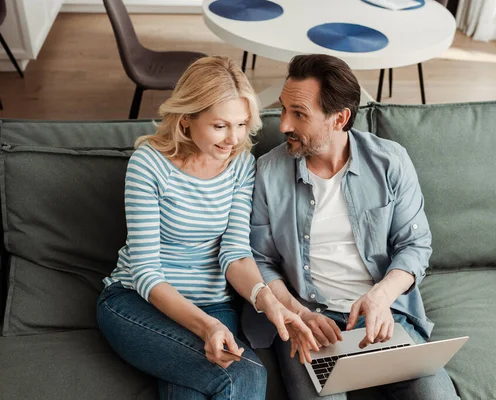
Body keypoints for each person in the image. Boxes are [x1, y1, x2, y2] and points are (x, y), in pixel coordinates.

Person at [97, 56, 318, 400]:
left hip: (213, 305)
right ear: (187, 120)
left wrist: (265, 299)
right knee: (243, 375)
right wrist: (207, 327)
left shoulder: (241, 164)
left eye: (242, 124)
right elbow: (144, 271)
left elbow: (234, 252)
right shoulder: (149, 165)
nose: (234, 138)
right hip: (136, 302)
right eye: (220, 126)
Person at [244, 54, 460, 400]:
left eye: (299, 114)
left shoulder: (390, 162)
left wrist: (381, 296)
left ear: (339, 119)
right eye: (284, 109)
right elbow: (259, 260)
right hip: (309, 322)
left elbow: (415, 246)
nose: (283, 124)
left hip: (384, 314)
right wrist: (295, 313)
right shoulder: (268, 173)